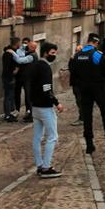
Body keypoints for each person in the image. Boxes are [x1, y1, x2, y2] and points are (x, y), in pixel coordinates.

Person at [70, 33, 105, 154]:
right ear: (96, 42)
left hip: (83, 90)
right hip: (98, 88)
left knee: (87, 117)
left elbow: (73, 73)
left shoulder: (77, 56)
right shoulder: (97, 55)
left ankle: (89, 145)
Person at [30, 42, 63, 178]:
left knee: (37, 137)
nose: (54, 56)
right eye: (52, 53)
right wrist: (57, 103)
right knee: (52, 136)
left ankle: (39, 164)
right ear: (45, 53)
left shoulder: (35, 65)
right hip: (45, 107)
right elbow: (47, 89)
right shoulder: (45, 68)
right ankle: (46, 167)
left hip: (35, 107)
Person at [13, 37, 34, 119]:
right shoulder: (20, 50)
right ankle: (17, 110)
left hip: (27, 77)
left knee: (28, 95)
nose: (24, 44)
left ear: (29, 44)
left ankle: (28, 111)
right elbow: (18, 56)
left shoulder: (32, 54)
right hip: (19, 77)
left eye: (26, 42)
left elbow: (19, 60)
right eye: (23, 42)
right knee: (17, 94)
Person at [2, 37, 21, 122]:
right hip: (8, 78)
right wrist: (12, 75)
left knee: (11, 96)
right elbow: (7, 68)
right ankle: (7, 115)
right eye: (19, 43)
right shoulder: (9, 54)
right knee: (8, 96)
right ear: (16, 43)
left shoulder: (13, 52)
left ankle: (11, 113)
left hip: (10, 77)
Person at [69, 44, 84, 126]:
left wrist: (72, 59)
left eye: (78, 51)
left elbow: (72, 69)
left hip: (80, 84)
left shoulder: (79, 60)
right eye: (76, 51)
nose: (76, 52)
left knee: (80, 101)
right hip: (76, 83)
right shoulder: (76, 59)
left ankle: (82, 118)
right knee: (79, 101)